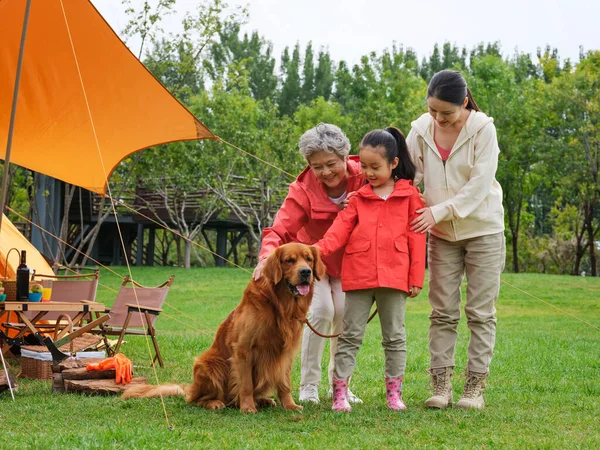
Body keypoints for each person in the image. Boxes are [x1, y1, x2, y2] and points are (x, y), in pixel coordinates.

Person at [406, 69, 505, 410]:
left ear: (464, 103)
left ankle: (474, 388)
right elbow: (408, 176)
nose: (438, 118)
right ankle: (441, 385)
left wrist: (440, 210)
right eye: (433, 110)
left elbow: (480, 185)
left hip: (483, 229)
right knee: (442, 311)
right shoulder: (420, 130)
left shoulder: (483, 130)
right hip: (442, 233)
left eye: (446, 113)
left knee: (480, 311)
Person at [314, 127, 426, 412]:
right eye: (364, 166)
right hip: (359, 277)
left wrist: (416, 279)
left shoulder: (410, 197)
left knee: (395, 337)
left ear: (394, 163)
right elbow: (337, 233)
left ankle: (394, 395)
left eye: (375, 167)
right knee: (350, 336)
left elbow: (417, 239)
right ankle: (339, 393)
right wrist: (314, 252)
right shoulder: (358, 198)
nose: (368, 172)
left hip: (396, 278)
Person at [253, 123, 364, 404]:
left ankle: (340, 385)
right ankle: (309, 385)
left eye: (331, 164)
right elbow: (279, 230)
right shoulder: (302, 189)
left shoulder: (365, 177)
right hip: (313, 265)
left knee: (344, 314)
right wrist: (267, 256)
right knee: (322, 311)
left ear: (345, 157)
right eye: (317, 166)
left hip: (352, 260)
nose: (325, 172)